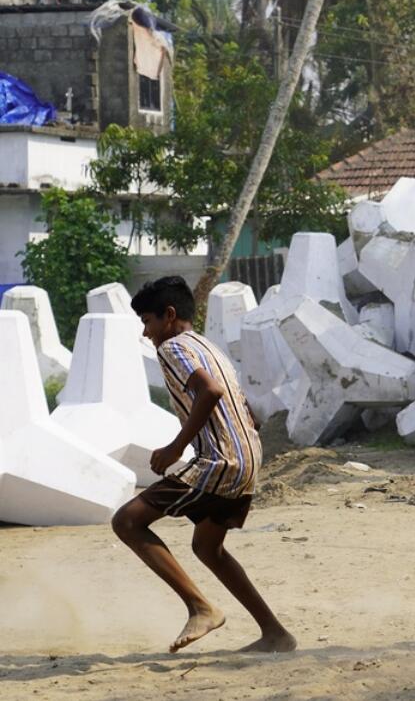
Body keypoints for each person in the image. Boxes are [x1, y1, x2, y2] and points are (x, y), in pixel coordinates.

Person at [110, 276, 295, 654]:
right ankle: (275, 633)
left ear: (170, 315)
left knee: (127, 521)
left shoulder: (173, 348)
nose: (146, 333)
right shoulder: (208, 346)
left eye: (147, 321)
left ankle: (201, 607)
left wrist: (176, 447)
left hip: (220, 461)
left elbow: (210, 392)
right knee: (208, 549)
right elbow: (246, 411)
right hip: (248, 459)